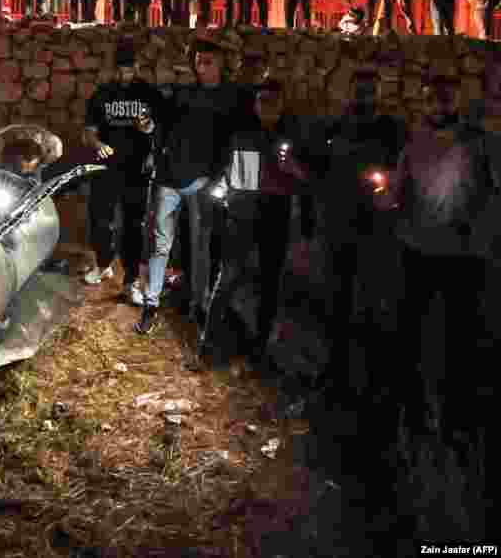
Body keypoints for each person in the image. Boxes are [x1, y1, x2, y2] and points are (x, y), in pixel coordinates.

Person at [379, 76, 498, 473]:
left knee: (461, 338)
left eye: (445, 97)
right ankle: (413, 413)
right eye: (432, 97)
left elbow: (493, 191)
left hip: (463, 255)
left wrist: (480, 232)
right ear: (424, 102)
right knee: (412, 333)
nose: (439, 104)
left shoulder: (478, 142)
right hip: (419, 250)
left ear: (455, 100)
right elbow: (397, 193)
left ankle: (457, 420)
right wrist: (386, 199)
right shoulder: (413, 145)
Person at [283, 71, 407, 402]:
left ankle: (370, 378)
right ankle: (335, 372)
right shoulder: (332, 129)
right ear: (349, 93)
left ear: (377, 94)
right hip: (337, 227)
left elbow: (404, 174)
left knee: (371, 303)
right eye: (359, 91)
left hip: (375, 231)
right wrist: (297, 171)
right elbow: (314, 172)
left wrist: (392, 191)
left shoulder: (391, 131)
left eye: (369, 91)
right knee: (335, 302)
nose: (363, 96)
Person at [133, 32, 241, 334]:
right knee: (159, 245)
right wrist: (149, 125)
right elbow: (159, 124)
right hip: (168, 178)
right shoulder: (182, 94)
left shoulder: (231, 98)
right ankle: (151, 304)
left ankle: (199, 305)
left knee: (201, 247)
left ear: (221, 64)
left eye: (208, 61)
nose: (201, 66)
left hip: (203, 182)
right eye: (198, 61)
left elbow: (237, 139)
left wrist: (224, 179)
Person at [198, 81, 299, 368]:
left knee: (269, 282)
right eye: (262, 101)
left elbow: (306, 178)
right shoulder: (243, 135)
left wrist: (292, 168)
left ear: (281, 106)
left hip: (274, 214)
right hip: (243, 215)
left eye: (273, 102)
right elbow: (233, 174)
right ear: (255, 104)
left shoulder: (292, 135)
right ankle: (209, 339)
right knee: (228, 277)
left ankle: (259, 348)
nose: (267, 107)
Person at [81, 39, 161, 305]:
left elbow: (159, 129)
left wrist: (147, 127)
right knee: (100, 218)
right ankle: (103, 264)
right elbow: (88, 133)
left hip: (137, 169)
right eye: (121, 69)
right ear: (115, 69)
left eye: (130, 69)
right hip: (105, 167)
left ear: (137, 67)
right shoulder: (103, 93)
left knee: (133, 224)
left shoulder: (148, 93)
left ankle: (130, 280)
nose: (126, 74)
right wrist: (98, 144)